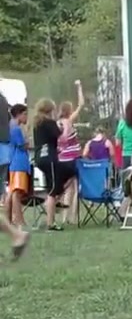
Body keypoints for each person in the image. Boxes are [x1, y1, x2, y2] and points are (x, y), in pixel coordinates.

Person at [34, 99, 75, 231]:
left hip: (40, 157)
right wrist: (66, 127)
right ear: (50, 110)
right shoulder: (49, 123)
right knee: (52, 190)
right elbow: (62, 138)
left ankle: (55, 199)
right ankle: (50, 222)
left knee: (70, 173)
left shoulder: (37, 123)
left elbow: (47, 140)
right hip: (49, 158)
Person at [57, 80, 84, 224]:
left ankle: (64, 217)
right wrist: (79, 87)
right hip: (73, 157)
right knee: (74, 187)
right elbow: (81, 104)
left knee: (66, 188)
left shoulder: (57, 123)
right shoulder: (69, 121)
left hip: (61, 158)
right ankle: (72, 216)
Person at [6, 104, 31, 227]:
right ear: (19, 114)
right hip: (18, 163)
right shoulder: (15, 129)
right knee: (17, 192)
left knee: (13, 192)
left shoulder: (10, 127)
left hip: (13, 162)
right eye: (25, 114)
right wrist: (28, 141)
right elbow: (22, 145)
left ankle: (9, 219)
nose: (26, 117)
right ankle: (18, 220)